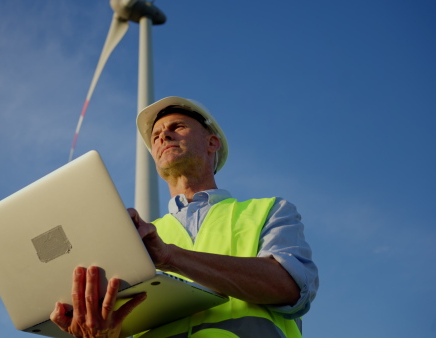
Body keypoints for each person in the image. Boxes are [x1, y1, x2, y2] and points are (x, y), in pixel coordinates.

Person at [50, 96, 319, 338]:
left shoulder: (267, 210)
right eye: (155, 136)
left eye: (176, 127)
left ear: (212, 142)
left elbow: (290, 287)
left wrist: (170, 257)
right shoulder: (135, 237)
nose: (162, 137)